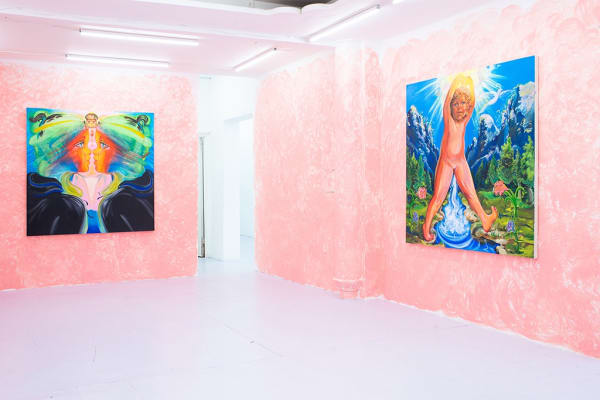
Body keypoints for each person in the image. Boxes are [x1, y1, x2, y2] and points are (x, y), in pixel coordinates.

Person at [422, 74, 498, 242]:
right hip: (447, 162)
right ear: (451, 107)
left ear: (467, 107)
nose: (458, 107)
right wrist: (455, 83)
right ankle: (426, 228)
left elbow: (473, 104)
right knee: (438, 198)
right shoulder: (449, 119)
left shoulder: (464, 121)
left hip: (460, 161)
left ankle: (485, 221)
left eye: (462, 103)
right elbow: (447, 101)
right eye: (455, 104)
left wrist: (471, 85)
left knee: (471, 195)